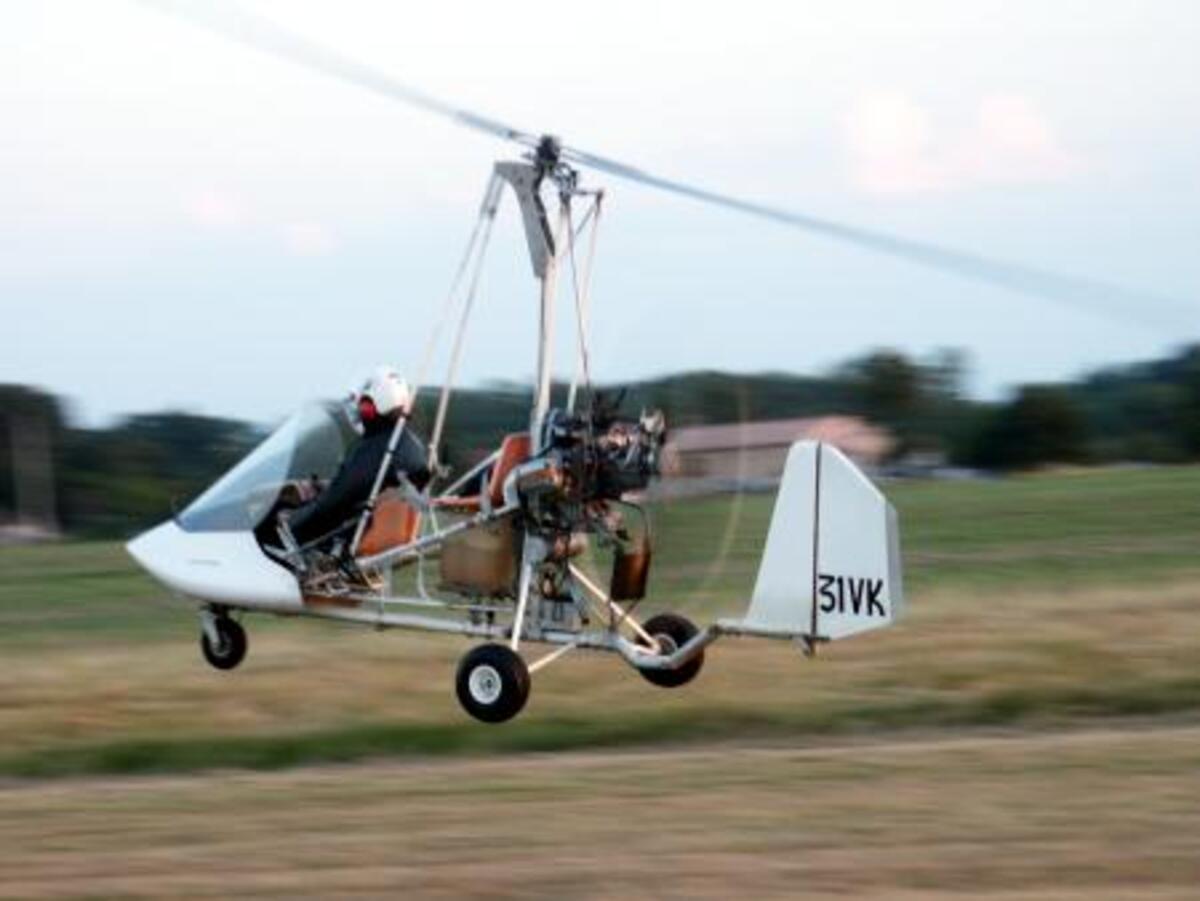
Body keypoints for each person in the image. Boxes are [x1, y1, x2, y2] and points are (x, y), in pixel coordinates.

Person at [285, 366, 431, 548]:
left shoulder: (377, 448)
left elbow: (332, 503)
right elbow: (358, 487)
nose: (359, 410)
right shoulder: (409, 445)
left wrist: (289, 525)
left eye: (363, 404)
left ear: (376, 404)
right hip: (373, 534)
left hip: (341, 541)